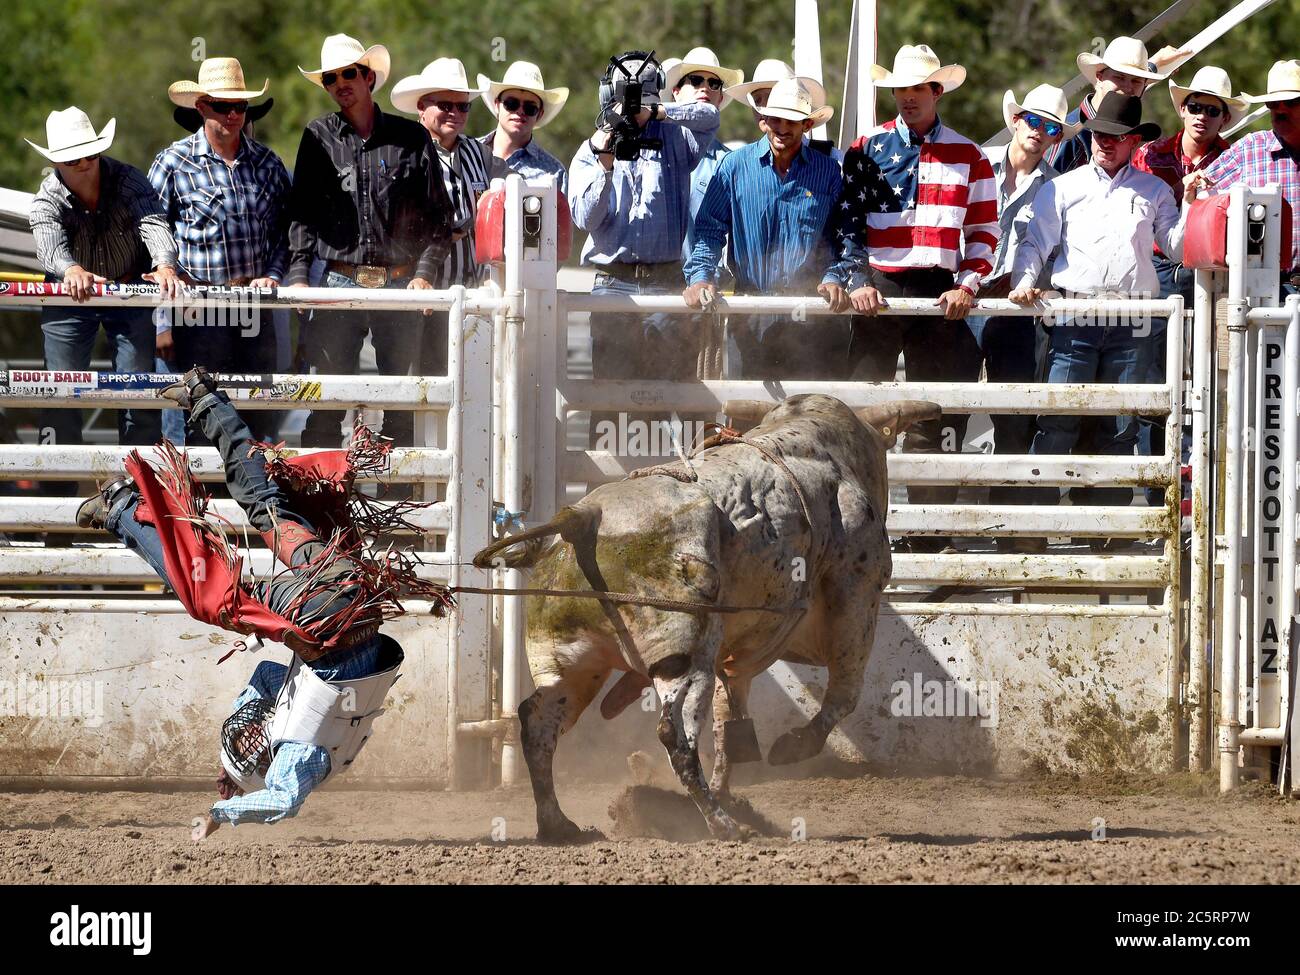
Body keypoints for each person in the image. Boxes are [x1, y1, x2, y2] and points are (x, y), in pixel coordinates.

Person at [73, 367, 449, 838]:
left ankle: (206, 398)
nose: (255, 735)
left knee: (265, 505)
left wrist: (239, 761)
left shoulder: (317, 742)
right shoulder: (297, 755)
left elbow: (268, 675)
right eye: (254, 746)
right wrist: (221, 811)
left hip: (352, 596)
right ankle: (122, 508)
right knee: (212, 597)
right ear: (266, 758)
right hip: (323, 615)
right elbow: (282, 803)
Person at [821, 44, 999, 553]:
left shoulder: (969, 155)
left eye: (916, 88)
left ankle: (929, 537)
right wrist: (857, 278)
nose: (906, 98)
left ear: (936, 91)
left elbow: (986, 229)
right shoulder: (866, 148)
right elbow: (847, 226)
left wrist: (967, 283)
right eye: (899, 89)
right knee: (862, 415)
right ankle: (857, 533)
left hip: (941, 290)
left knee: (933, 416)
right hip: (880, 288)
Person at [1011, 93, 1192, 545]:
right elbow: (1035, 244)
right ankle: (1037, 525)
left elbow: (1177, 247)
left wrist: (1191, 202)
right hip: (1077, 313)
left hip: (1131, 317)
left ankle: (1104, 532)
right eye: (1099, 135)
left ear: (1133, 141)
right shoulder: (1064, 187)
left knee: (1120, 425)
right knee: (1058, 419)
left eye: (1115, 137)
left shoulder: (1154, 190)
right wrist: (1024, 280)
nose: (1104, 144)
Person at [284, 33, 453, 449]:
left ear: (368, 77)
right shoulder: (317, 135)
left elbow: (439, 217)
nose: (340, 83)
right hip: (338, 278)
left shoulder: (410, 139)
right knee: (325, 400)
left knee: (401, 402)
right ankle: (321, 506)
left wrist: (425, 274)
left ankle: (397, 506)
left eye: (348, 73)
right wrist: (300, 276)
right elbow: (302, 213)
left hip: (399, 282)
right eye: (330, 78)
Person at [570, 50, 720, 439]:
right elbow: (584, 218)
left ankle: (664, 486)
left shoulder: (676, 136)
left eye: (640, 95)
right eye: (625, 96)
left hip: (665, 281)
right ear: (608, 96)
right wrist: (605, 159)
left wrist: (654, 115)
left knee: (667, 392)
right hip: (611, 284)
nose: (631, 105)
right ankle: (601, 489)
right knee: (611, 395)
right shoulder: (591, 149)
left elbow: (710, 116)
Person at [26, 107, 174, 484]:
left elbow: (153, 223)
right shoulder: (46, 199)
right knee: (61, 394)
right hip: (70, 297)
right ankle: (56, 505)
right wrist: (70, 269)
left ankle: (143, 492)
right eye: (74, 157)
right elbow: (49, 246)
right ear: (57, 161)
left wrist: (164, 264)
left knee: (137, 393)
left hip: (127, 289)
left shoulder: (128, 180)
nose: (84, 163)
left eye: (90, 153)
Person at [149, 57, 291, 444]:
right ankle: (205, 502)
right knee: (203, 415)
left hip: (253, 304)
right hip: (198, 305)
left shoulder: (268, 163)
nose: (233, 115)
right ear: (201, 107)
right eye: (223, 106)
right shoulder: (173, 163)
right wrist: (163, 319)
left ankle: (259, 501)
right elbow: (152, 231)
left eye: (240, 107)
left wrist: (274, 274)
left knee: (258, 409)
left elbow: (285, 233)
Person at [1131, 66, 1243, 505]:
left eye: (1211, 110)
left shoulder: (1234, 159)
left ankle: (1197, 488)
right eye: (1195, 106)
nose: (1201, 116)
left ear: (1223, 119)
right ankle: (1152, 485)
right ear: (1182, 109)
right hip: (1158, 269)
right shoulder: (1151, 154)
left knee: (1207, 376)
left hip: (1213, 274)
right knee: (1152, 374)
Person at [683, 79, 844, 378]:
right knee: (745, 412)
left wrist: (833, 276)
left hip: (809, 311)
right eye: (775, 118)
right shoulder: (734, 167)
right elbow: (709, 230)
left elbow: (840, 237)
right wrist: (701, 276)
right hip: (750, 308)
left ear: (807, 125)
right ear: (763, 121)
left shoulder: (828, 172)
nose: (782, 127)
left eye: (792, 120)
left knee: (807, 411)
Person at [969, 85, 1075, 539]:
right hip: (966, 297)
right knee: (946, 413)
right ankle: (932, 524)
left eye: (1051, 127)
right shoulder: (975, 164)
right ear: (1016, 121)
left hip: (1015, 307)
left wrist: (1042, 283)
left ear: (1055, 137)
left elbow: (1055, 246)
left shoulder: (1055, 187)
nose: (1040, 132)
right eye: (1034, 121)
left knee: (1013, 416)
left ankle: (1004, 523)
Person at [392, 57, 507, 376]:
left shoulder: (479, 153)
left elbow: (504, 206)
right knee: (418, 385)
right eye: (446, 104)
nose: (456, 113)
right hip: (421, 293)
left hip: (471, 295)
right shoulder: (404, 154)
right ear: (422, 107)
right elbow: (400, 222)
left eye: (463, 106)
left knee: (470, 386)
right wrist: (466, 221)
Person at [1195, 59, 1300, 296]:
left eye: (1291, 102)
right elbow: (1199, 194)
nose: (1280, 109)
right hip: (1266, 289)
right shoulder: (1249, 149)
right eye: (1273, 103)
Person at [1046, 36, 1187, 174]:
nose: (1128, 87)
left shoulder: (1124, 102)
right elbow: (1044, 186)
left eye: (1136, 81)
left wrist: (1155, 63)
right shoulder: (1071, 135)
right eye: (1119, 78)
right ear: (1099, 77)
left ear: (1144, 85)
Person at [664, 47, 744, 265]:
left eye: (714, 84)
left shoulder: (730, 164)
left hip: (703, 287)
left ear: (719, 98)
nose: (705, 88)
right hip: (653, 283)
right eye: (696, 80)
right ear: (676, 92)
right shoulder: (653, 152)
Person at [477, 62, 569, 196]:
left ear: (540, 114)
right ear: (497, 105)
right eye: (511, 104)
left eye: (530, 108)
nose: (520, 111)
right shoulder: (466, 153)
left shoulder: (554, 172)